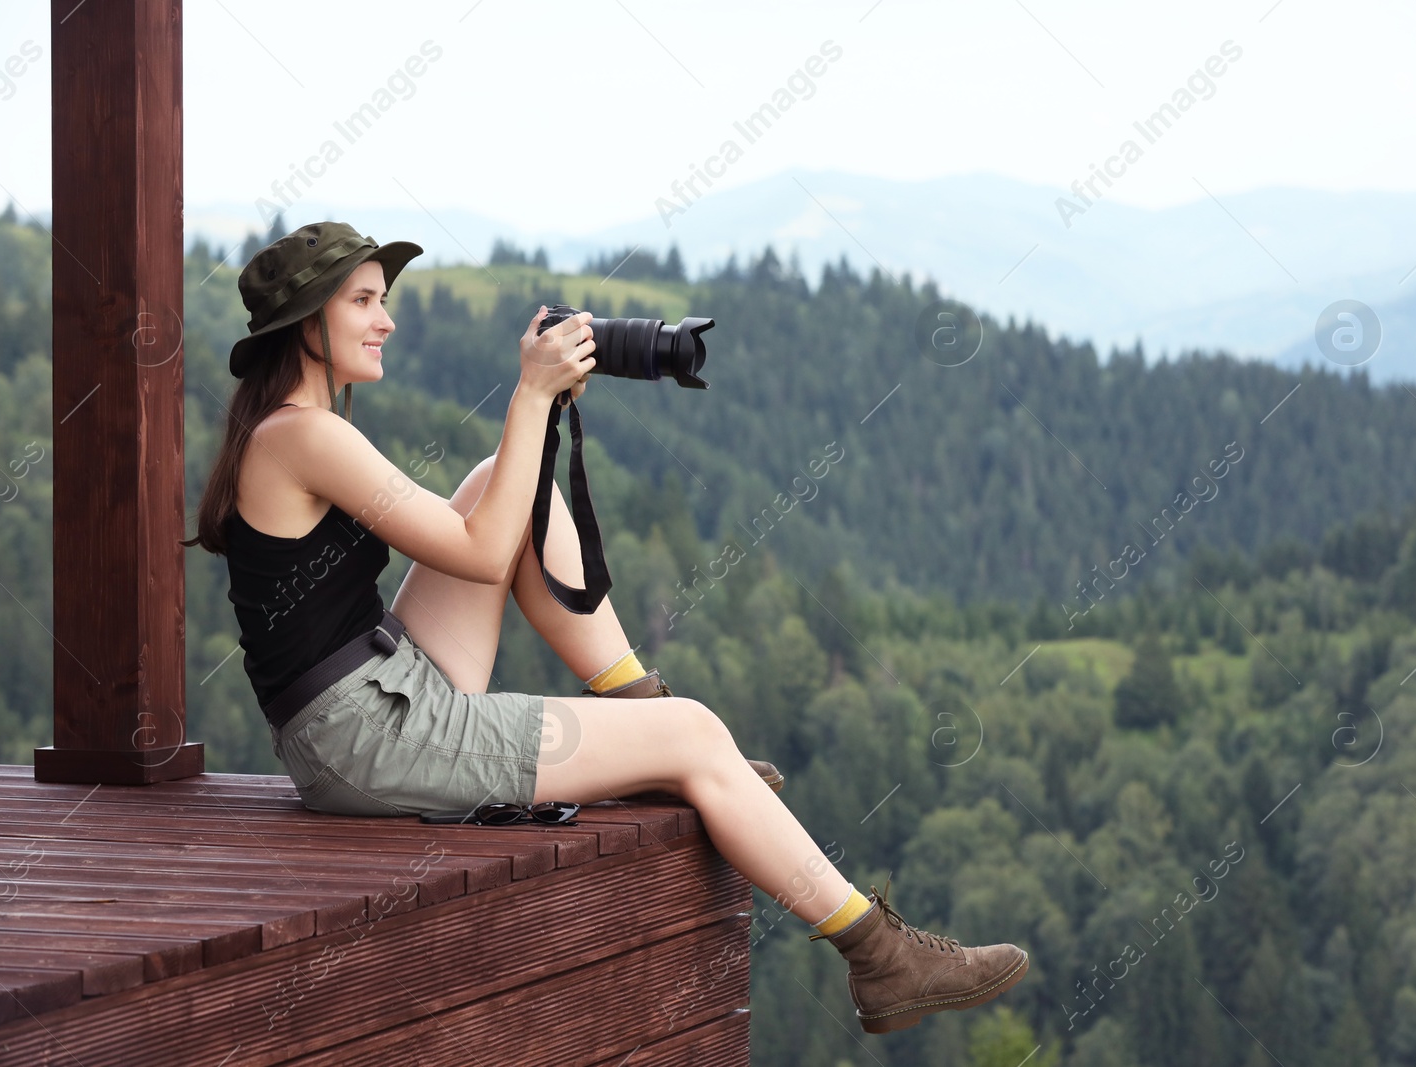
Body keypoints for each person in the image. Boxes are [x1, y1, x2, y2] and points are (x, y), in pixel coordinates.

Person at [181, 221, 1031, 1034]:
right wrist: (530, 392)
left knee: (495, 483)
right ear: (307, 323)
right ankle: (879, 955)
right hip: (368, 735)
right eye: (364, 300)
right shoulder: (306, 437)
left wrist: (537, 409)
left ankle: (642, 711)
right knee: (695, 732)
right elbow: (479, 557)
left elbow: (483, 527)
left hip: (375, 696)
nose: (387, 319)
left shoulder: (292, 430)